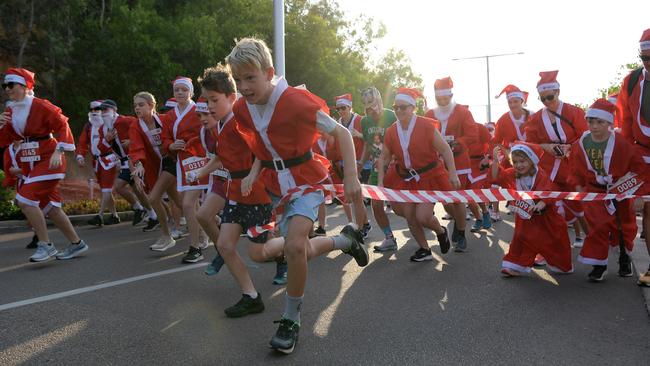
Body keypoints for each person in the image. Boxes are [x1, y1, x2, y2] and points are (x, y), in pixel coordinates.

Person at [226, 37, 366, 354]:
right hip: (274, 184)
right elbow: (262, 146)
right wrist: (252, 173)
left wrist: (352, 177)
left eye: (251, 78)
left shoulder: (296, 102)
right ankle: (345, 241)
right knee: (261, 252)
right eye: (239, 79)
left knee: (293, 246)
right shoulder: (241, 108)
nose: (244, 86)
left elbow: (342, 133)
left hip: (306, 178)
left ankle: (290, 319)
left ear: (269, 72)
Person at [0, 68, 88, 262]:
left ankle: (45, 245)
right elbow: (7, 138)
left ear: (24, 86)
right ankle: (77, 244)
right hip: (31, 161)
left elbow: (62, 124)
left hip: (50, 159)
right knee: (51, 208)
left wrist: (60, 150)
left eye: (11, 85)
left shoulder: (41, 105)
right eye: (4, 85)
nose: (7, 89)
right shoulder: (11, 110)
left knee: (24, 201)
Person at [377, 88, 454, 261]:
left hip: (429, 176)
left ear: (413, 108)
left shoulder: (426, 125)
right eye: (396, 107)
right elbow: (383, 158)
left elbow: (445, 149)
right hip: (404, 178)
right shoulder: (391, 131)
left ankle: (441, 231)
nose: (398, 111)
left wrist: (453, 174)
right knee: (410, 216)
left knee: (423, 216)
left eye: (403, 108)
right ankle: (424, 249)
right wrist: (381, 181)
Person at [572, 99, 645, 281]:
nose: (594, 126)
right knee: (597, 227)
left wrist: (638, 195)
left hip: (620, 191)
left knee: (623, 227)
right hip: (595, 192)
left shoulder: (622, 143)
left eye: (600, 122)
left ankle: (624, 257)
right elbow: (575, 167)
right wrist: (579, 186)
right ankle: (599, 264)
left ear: (609, 123)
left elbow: (639, 168)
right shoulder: (581, 143)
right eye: (591, 121)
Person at [525, 71, 589, 249]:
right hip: (548, 169)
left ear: (558, 92)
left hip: (572, 168)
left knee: (579, 208)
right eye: (542, 99)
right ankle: (548, 248)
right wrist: (545, 146)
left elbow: (585, 136)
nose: (546, 102)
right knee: (547, 207)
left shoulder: (574, 112)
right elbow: (529, 142)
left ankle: (594, 244)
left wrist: (570, 147)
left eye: (550, 97)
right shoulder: (536, 118)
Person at [491, 142, 573, 276]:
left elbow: (547, 191)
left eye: (522, 161)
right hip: (525, 216)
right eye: (515, 162)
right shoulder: (512, 173)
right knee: (521, 238)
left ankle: (559, 264)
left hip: (545, 218)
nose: (519, 165)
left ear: (531, 160)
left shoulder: (540, 174)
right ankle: (515, 266)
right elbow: (496, 177)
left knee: (552, 241)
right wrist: (495, 160)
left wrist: (541, 203)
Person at [161, 77, 209, 263]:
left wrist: (191, 142)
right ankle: (205, 235)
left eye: (183, 89)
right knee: (193, 204)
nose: (180, 93)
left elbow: (208, 130)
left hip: (201, 161)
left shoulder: (199, 109)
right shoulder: (170, 116)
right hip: (182, 163)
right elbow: (165, 139)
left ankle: (195, 247)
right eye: (176, 90)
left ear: (191, 92)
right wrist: (171, 146)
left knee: (188, 203)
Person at [425, 76, 475, 251]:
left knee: (457, 199)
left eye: (446, 98)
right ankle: (458, 222)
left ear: (451, 95)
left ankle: (461, 234)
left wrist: (457, 143)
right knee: (446, 202)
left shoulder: (462, 112)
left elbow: (472, 134)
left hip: (459, 161)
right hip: (438, 164)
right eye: (439, 98)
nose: (443, 101)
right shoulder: (430, 114)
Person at [128, 91, 179, 251]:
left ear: (151, 106)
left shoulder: (165, 120)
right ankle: (210, 223)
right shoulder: (135, 125)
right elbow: (136, 147)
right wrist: (139, 164)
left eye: (141, 105)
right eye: (135, 105)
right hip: (154, 167)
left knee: (154, 198)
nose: (137, 108)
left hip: (171, 162)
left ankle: (166, 236)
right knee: (180, 201)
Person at [619, 28, 650, 287]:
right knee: (649, 210)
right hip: (643, 155)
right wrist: (630, 159)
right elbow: (626, 122)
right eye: (646, 57)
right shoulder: (632, 81)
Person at [99, 99, 152, 227]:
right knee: (138, 190)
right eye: (102, 110)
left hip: (132, 159)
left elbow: (141, 129)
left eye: (106, 109)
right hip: (122, 161)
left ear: (114, 110)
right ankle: (151, 213)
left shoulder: (125, 120)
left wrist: (131, 141)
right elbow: (102, 148)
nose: (103, 113)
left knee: (119, 186)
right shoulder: (103, 128)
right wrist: (107, 140)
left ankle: (142, 209)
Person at [358, 87, 399, 252]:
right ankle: (389, 237)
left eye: (373, 109)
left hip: (395, 165)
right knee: (376, 204)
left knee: (401, 206)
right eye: (368, 110)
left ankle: (423, 226)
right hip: (376, 168)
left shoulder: (391, 116)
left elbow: (400, 138)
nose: (372, 113)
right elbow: (368, 144)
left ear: (380, 104)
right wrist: (360, 163)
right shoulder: (364, 121)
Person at [76, 100, 120, 226]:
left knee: (106, 188)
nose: (94, 112)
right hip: (96, 160)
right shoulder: (89, 126)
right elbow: (82, 143)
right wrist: (80, 156)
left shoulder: (111, 125)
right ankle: (114, 215)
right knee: (105, 189)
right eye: (92, 110)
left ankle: (99, 216)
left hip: (110, 159)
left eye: (98, 109)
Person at [335, 93, 372, 233]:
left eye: (343, 108)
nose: (340, 111)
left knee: (357, 198)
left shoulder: (360, 120)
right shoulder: (338, 122)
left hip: (363, 163)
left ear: (350, 107)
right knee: (356, 198)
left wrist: (360, 135)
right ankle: (365, 224)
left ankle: (361, 228)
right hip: (347, 164)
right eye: (338, 109)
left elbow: (372, 141)